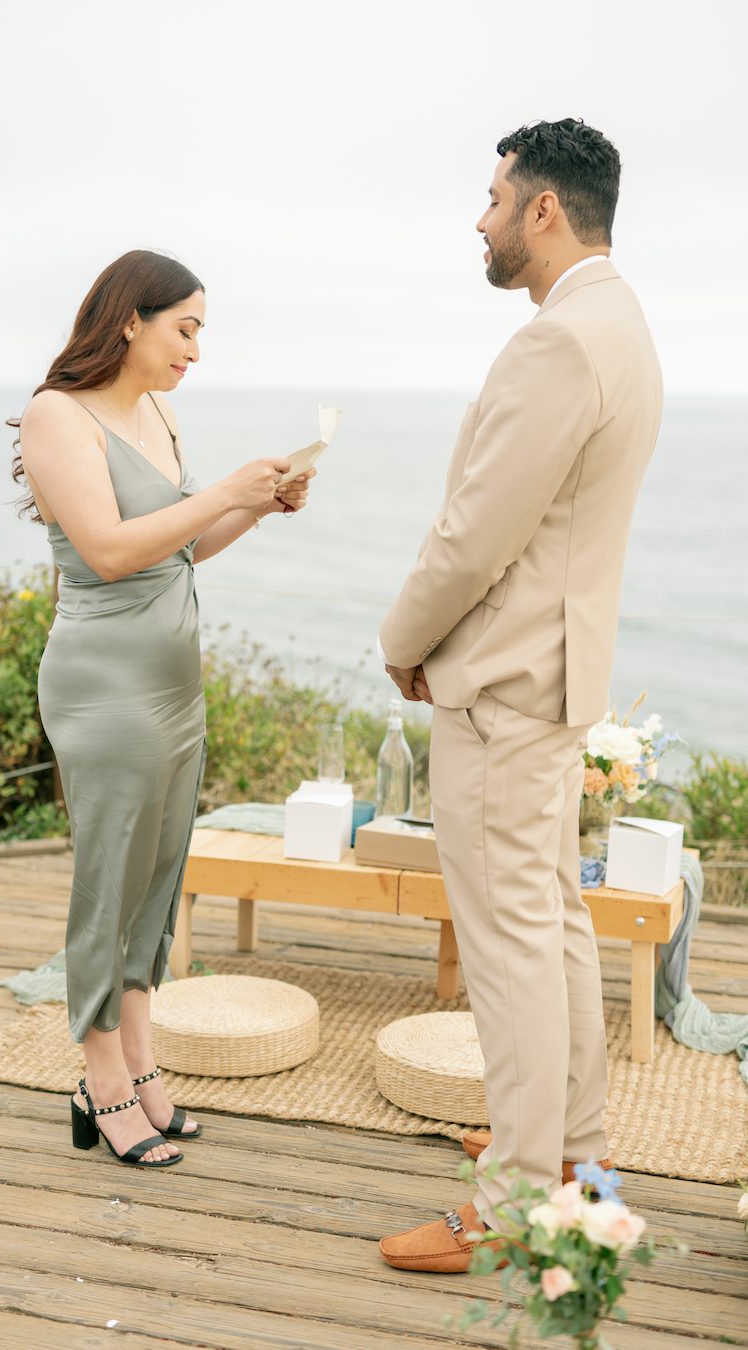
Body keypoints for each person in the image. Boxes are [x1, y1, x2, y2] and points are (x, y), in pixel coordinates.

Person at [377, 120, 662, 1270]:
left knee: (508, 946)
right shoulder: (624, 324)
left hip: (503, 684)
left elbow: (476, 532)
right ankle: (572, 1161)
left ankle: (506, 1201)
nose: (482, 218)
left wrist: (404, 639)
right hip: (557, 676)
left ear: (545, 209)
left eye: (496, 197)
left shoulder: (558, 343)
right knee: (551, 928)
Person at [14, 250, 314, 1168]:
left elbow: (176, 552)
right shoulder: (55, 416)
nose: (195, 350)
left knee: (156, 880)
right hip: (105, 689)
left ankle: (140, 1065)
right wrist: (220, 489)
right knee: (108, 882)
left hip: (176, 688)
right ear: (129, 321)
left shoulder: (158, 413)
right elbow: (107, 551)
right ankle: (100, 1078)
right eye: (185, 328)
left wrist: (256, 507)